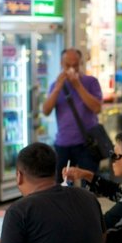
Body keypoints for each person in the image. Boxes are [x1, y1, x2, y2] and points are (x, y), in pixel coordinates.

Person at [41, 48, 103, 178]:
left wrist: (78, 85)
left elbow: (97, 108)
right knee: (62, 186)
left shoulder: (91, 82)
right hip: (63, 144)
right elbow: (46, 111)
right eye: (67, 65)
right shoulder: (55, 85)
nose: (72, 69)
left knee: (90, 186)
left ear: (81, 64)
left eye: (75, 65)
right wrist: (58, 87)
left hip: (87, 143)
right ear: (61, 64)